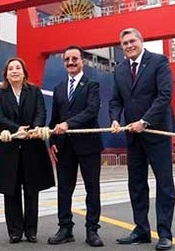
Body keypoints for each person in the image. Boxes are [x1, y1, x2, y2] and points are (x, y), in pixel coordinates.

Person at [109, 28, 175, 251]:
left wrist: (145, 121)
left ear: (141, 40)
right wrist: (115, 119)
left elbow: (164, 95)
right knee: (136, 184)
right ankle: (141, 230)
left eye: (132, 41)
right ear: (121, 47)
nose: (129, 45)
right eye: (125, 43)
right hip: (132, 135)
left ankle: (165, 234)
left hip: (156, 133)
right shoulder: (119, 70)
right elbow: (115, 100)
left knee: (164, 184)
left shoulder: (158, 62)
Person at [0, 57, 55, 244]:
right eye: (11, 69)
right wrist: (16, 130)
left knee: (31, 191)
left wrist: (34, 128)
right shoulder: (0, 93)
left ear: (24, 72)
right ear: (6, 74)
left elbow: (41, 112)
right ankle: (15, 231)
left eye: (18, 68)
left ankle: (31, 231)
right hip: (9, 148)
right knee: (11, 192)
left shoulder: (34, 91)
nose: (15, 71)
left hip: (32, 147)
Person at [47, 46, 104, 247]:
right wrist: (51, 142)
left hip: (89, 145)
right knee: (64, 189)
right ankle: (65, 228)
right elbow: (54, 119)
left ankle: (92, 230)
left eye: (74, 59)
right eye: (67, 60)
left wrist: (68, 124)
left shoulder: (92, 85)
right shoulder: (59, 88)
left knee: (92, 189)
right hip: (64, 147)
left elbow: (92, 110)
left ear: (83, 61)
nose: (71, 62)